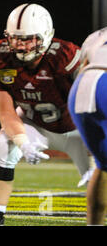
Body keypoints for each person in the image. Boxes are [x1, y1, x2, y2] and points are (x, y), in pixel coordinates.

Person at [0, 3, 94, 226]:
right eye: (15, 38)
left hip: (78, 130)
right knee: (5, 143)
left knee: (99, 179)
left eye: (28, 39)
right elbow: (6, 112)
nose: (21, 45)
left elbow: (94, 101)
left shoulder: (65, 57)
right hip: (36, 125)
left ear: (45, 37)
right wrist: (23, 141)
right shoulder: (0, 57)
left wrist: (96, 147)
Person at [68, 27, 107, 225]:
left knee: (103, 166)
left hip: (80, 89)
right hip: (105, 84)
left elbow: (82, 66)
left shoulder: (97, 35)